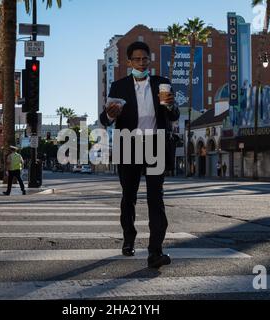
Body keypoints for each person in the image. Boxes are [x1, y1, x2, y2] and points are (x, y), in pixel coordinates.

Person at [100, 41, 180, 269]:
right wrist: (110, 114)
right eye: (136, 59)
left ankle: (155, 252)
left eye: (145, 58)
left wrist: (170, 106)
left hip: (156, 145)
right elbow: (105, 119)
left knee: (156, 199)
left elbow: (173, 115)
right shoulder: (119, 86)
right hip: (129, 145)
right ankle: (129, 238)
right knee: (129, 197)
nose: (141, 62)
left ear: (149, 60)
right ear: (129, 62)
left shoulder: (162, 83)